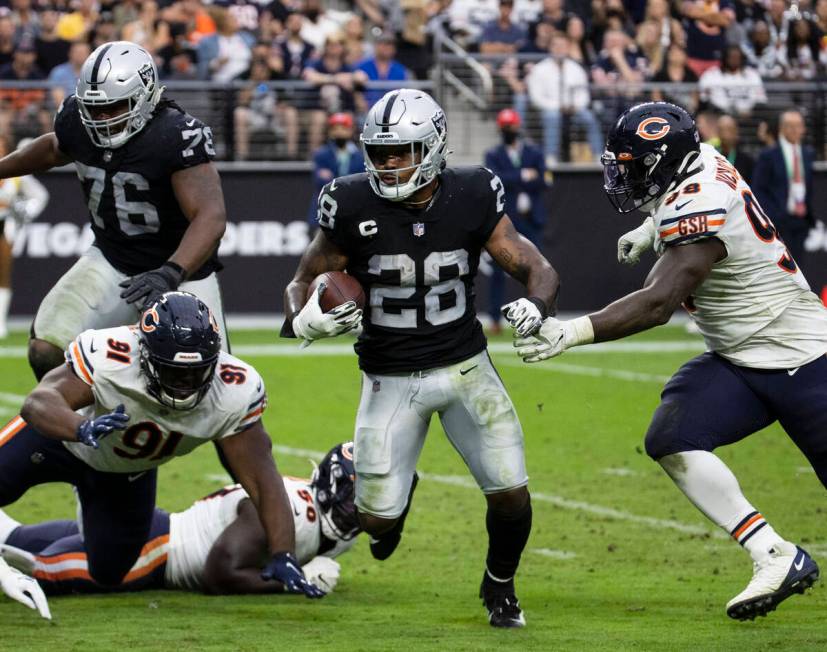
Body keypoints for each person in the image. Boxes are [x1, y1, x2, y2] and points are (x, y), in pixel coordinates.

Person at [512, 101, 825, 621]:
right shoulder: (695, 164)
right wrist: (655, 227)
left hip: (804, 357)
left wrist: (570, 331)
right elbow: (683, 206)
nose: (624, 176)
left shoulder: (702, 195)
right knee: (672, 436)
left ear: (662, 161)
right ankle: (773, 553)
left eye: (634, 165)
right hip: (739, 359)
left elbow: (658, 303)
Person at [281, 88, 561, 628]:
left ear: (433, 147)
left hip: (465, 367)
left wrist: (537, 303)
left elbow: (535, 266)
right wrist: (304, 319)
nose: (387, 163)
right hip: (388, 378)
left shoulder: (475, 192)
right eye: (380, 151)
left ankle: (500, 585)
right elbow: (301, 281)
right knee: (376, 523)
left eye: (400, 151)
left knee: (510, 493)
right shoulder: (349, 199)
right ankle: (399, 501)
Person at [0, 292, 324, 604]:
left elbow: (263, 480)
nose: (185, 382)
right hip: (60, 439)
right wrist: (79, 427)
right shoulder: (112, 355)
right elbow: (39, 402)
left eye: (196, 372)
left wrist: (284, 553)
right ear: (145, 355)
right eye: (174, 370)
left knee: (109, 570)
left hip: (126, 469)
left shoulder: (234, 390)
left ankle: (10, 534)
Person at [0, 41, 228, 383]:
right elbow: (53, 148)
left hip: (182, 273)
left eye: (115, 106)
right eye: (95, 109)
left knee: (213, 382)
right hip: (112, 261)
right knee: (46, 349)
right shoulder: (77, 121)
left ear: (145, 94)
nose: (103, 118)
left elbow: (211, 216)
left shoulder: (174, 133)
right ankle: (76, 432)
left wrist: (169, 273)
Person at [0, 442, 360, 597]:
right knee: (38, 571)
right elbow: (220, 572)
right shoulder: (294, 515)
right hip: (158, 554)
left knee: (15, 538)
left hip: (160, 528)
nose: (358, 509)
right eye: (354, 498)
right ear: (331, 487)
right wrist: (289, 584)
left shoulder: (334, 525)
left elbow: (384, 529)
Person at [484, 108, 547, 333]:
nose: (508, 131)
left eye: (511, 126)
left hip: (531, 219)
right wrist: (522, 176)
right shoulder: (494, 154)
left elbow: (544, 179)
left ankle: (539, 314)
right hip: (506, 222)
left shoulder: (533, 152)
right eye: (505, 127)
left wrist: (515, 179)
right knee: (499, 272)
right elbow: (495, 177)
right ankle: (494, 319)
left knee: (538, 270)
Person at [527, 31, 603, 165]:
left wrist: (574, 106)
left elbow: (583, 95)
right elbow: (536, 98)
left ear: (568, 48)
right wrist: (558, 106)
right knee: (552, 117)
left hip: (574, 108)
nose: (559, 49)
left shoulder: (576, 69)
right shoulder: (539, 69)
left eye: (562, 46)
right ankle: (551, 157)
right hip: (549, 109)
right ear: (550, 47)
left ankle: (598, 156)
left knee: (590, 118)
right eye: (556, 46)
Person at [0, 136, 48, 339]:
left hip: (4, 225)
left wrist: (24, 212)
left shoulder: (16, 174)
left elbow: (40, 196)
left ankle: (0, 322)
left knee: (3, 274)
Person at [751, 109, 814, 266]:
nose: (795, 130)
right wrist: (773, 216)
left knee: (800, 267)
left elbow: (808, 185)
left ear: (804, 129)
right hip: (779, 222)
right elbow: (758, 189)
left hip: (800, 221)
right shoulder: (769, 155)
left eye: (798, 126)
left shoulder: (807, 154)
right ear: (782, 128)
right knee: (780, 267)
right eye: (790, 126)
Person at [306, 112, 364, 225]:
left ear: (351, 130)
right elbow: (320, 181)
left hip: (352, 211)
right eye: (335, 128)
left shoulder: (360, 156)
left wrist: (333, 179)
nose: (339, 132)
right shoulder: (321, 154)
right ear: (330, 131)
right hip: (324, 210)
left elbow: (362, 182)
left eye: (343, 128)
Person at [716, 114, 754, 184]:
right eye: (721, 129)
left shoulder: (747, 161)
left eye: (729, 129)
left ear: (736, 131)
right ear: (717, 132)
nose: (725, 134)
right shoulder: (711, 157)